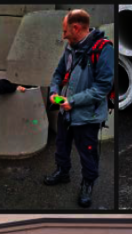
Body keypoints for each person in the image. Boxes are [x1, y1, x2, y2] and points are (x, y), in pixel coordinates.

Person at [43, 10, 114, 208]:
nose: (63, 35)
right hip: (66, 111)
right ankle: (62, 172)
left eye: (65, 31)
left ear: (76, 28)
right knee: (61, 144)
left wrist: (72, 101)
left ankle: (87, 183)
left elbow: (102, 88)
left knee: (88, 152)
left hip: (87, 116)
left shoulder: (104, 49)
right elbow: (58, 74)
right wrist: (54, 92)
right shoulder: (69, 48)